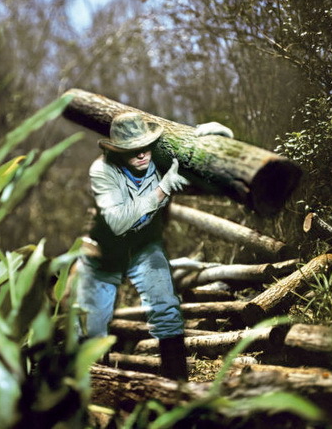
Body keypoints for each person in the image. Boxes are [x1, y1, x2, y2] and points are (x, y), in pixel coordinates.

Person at [74, 111, 233, 381]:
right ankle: (89, 387)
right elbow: (118, 221)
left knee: (167, 309)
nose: (141, 155)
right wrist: (162, 189)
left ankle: (176, 387)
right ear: (117, 150)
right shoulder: (102, 170)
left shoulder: (160, 159)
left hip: (146, 247)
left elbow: (212, 176)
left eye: (144, 147)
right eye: (132, 150)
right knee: (93, 323)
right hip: (105, 251)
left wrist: (220, 139)